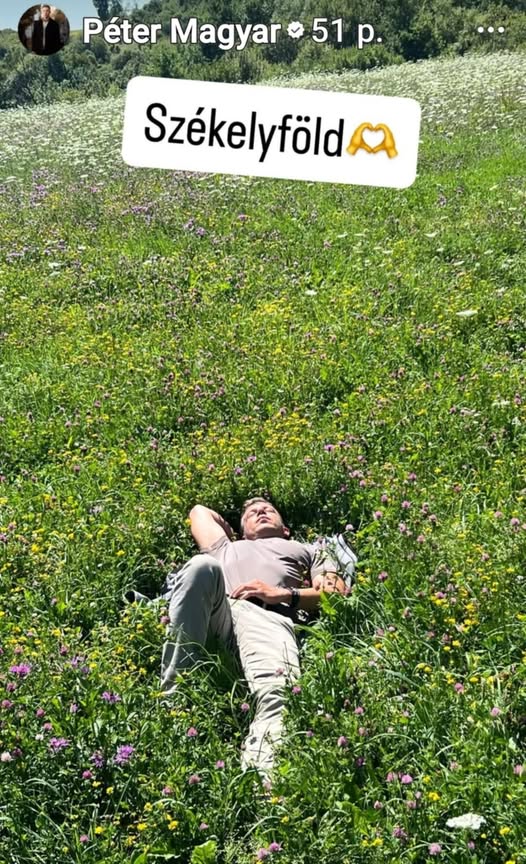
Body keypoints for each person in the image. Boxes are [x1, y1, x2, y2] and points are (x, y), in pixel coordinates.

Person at [160, 497, 347, 779]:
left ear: (286, 529)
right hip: (218, 611)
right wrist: (231, 533)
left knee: (278, 694)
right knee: (200, 566)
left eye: (269, 509)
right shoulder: (224, 548)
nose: (260, 511)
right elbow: (198, 512)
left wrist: (283, 594)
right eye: (251, 513)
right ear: (241, 531)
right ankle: (172, 701)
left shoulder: (309, 550)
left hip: (267, 618)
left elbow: (335, 594)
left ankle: (262, 781)